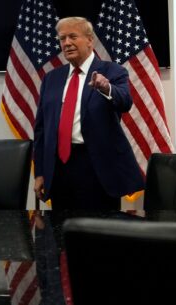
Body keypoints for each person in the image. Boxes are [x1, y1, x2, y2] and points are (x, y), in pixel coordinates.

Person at [33, 17, 144, 209]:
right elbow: (41, 129)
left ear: (90, 41)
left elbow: (125, 102)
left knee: (100, 234)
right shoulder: (52, 78)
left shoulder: (112, 71)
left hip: (97, 168)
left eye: (73, 36)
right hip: (59, 168)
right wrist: (40, 172)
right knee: (62, 232)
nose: (66, 43)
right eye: (62, 38)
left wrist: (106, 87)